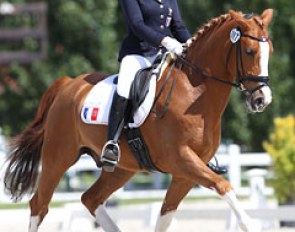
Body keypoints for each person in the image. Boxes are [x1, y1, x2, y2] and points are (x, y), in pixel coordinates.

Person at [101, 0, 227, 175]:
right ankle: (112, 144)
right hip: (138, 54)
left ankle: (203, 152)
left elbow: (178, 26)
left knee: (191, 85)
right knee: (125, 85)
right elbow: (137, 25)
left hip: (165, 54)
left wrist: (191, 43)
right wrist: (165, 41)